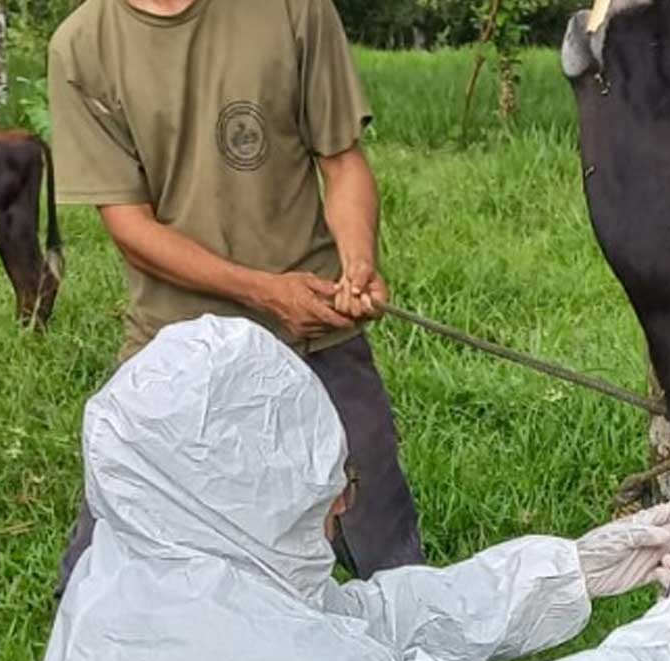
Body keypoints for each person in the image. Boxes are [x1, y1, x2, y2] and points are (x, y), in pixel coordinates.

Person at [40, 315, 670, 661]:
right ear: (236, 500)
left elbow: (362, 618)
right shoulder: (255, 652)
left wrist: (573, 568)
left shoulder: (147, 565)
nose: (344, 507)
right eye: (322, 492)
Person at [45, 0, 424, 593]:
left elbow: (343, 162)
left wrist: (357, 264)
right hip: (172, 339)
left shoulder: (295, 8)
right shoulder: (82, 45)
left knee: (388, 547)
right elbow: (130, 227)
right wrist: (266, 293)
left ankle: (414, 641)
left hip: (316, 330)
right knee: (98, 563)